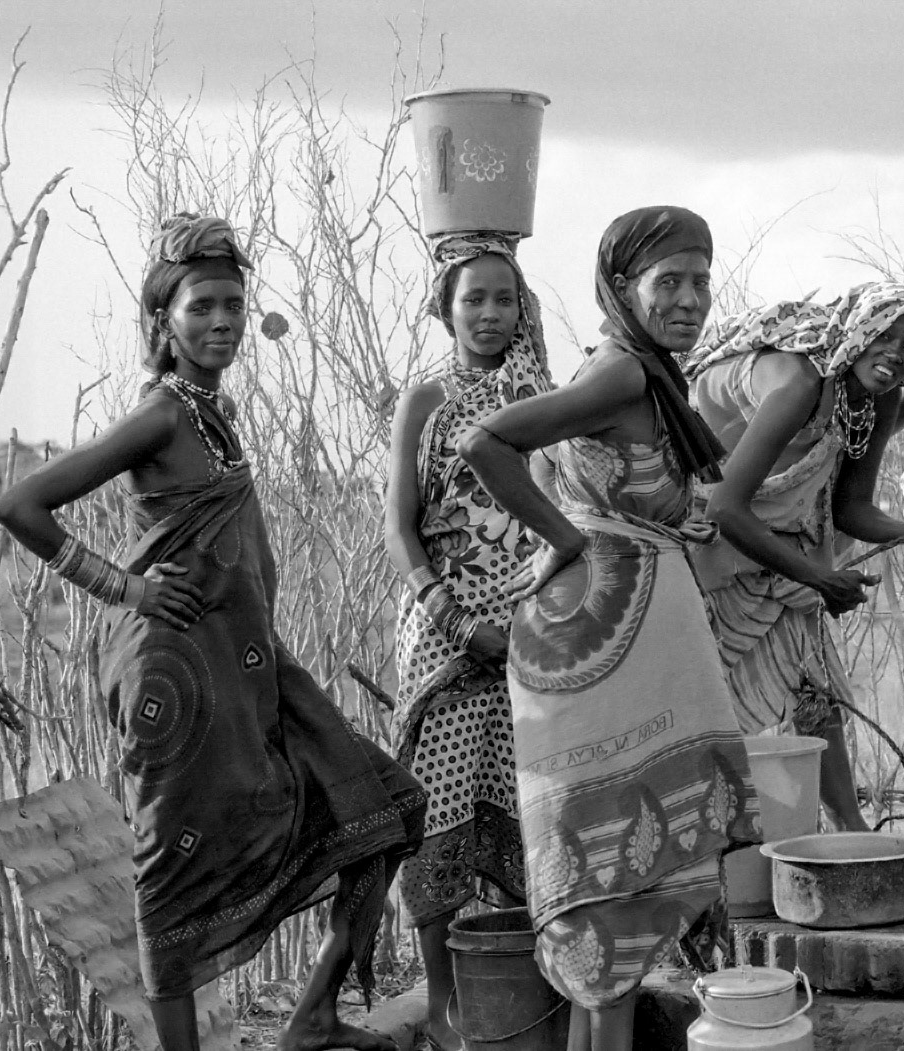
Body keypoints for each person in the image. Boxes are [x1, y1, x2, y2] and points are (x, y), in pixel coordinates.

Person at [0, 214, 426, 1051]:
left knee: (388, 810)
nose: (222, 321)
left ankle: (311, 1018)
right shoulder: (158, 415)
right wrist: (123, 586)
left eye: (233, 305)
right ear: (165, 321)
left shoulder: (214, 413)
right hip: (172, 675)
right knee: (172, 869)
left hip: (246, 662)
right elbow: (20, 504)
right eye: (202, 308)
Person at [457, 205, 759, 1051]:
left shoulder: (648, 373)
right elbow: (486, 441)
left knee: (613, 892)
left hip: (625, 627)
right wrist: (563, 537)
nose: (691, 299)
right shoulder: (624, 373)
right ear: (624, 289)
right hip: (606, 632)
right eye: (670, 282)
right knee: (616, 882)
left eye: (702, 279)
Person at [686, 283, 904, 832]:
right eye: (884, 336)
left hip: (776, 543)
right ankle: (719, 836)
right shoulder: (798, 384)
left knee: (815, 682)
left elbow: (850, 508)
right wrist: (818, 576)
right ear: (855, 333)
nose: (896, 354)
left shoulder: (875, 398)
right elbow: (724, 506)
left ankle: (847, 831)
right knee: (706, 697)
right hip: (706, 531)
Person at [383, 233, 554, 1050]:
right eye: (472, 298)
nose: (489, 313)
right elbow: (398, 527)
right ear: (444, 308)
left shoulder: (542, 396)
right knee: (440, 814)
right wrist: (455, 619)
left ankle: (533, 983)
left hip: (531, 629)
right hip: (448, 632)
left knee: (533, 808)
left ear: (523, 308)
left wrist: (530, 620)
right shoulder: (427, 399)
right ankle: (447, 1004)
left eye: (503, 298)